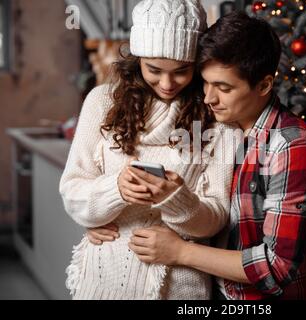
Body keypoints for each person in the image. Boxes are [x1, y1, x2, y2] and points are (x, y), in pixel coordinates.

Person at [90, 12, 306, 300]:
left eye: (224, 88)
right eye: (206, 83)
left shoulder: (290, 147)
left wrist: (181, 252)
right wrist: (110, 221)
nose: (208, 98)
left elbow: (276, 267)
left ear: (264, 86)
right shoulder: (218, 127)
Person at [59, 0, 235, 300]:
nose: (167, 83)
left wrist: (176, 200)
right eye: (154, 69)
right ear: (137, 58)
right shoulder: (102, 102)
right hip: (103, 281)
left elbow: (217, 219)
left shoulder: (217, 119)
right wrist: (115, 191)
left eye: (182, 70)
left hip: (180, 288)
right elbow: (73, 192)